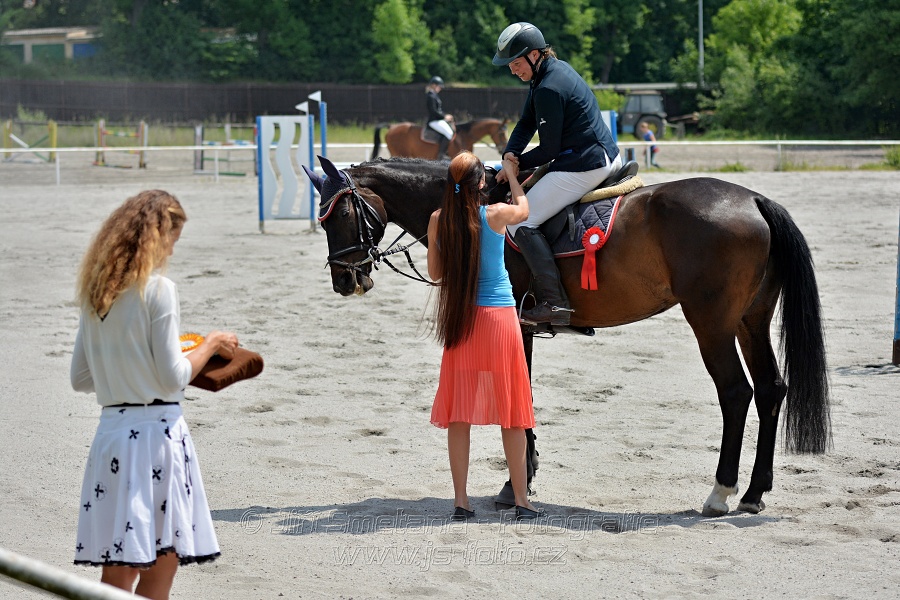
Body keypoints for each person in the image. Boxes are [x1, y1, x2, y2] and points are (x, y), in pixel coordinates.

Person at [70, 190, 238, 599]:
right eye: (173, 240)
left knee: (119, 567)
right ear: (158, 236)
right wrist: (211, 344)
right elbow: (173, 377)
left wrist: (127, 368)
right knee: (163, 561)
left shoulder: (97, 292)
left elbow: (81, 377)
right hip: (155, 439)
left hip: (111, 436)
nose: (172, 251)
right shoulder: (158, 290)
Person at [427, 151, 542, 521]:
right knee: (512, 414)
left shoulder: (437, 221)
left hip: (462, 322)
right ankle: (522, 501)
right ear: (480, 183)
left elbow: (434, 274)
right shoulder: (494, 215)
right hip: (499, 321)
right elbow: (524, 210)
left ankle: (461, 502)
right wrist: (510, 176)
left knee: (459, 415)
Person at [493, 22, 623, 327]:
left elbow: (549, 150)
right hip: (589, 153)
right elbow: (526, 122)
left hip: (585, 163)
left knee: (520, 221)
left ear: (534, 54)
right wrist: (511, 154)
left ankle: (554, 302)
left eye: (515, 63)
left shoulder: (549, 87)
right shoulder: (547, 73)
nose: (513, 71)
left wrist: (515, 166)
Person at [425, 75, 454, 160]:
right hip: (434, 121)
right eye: (439, 86)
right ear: (434, 85)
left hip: (438, 119)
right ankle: (441, 155)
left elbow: (439, 110)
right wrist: (445, 116)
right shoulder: (430, 96)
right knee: (449, 133)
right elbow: (433, 111)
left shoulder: (434, 95)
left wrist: (446, 116)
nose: (440, 88)